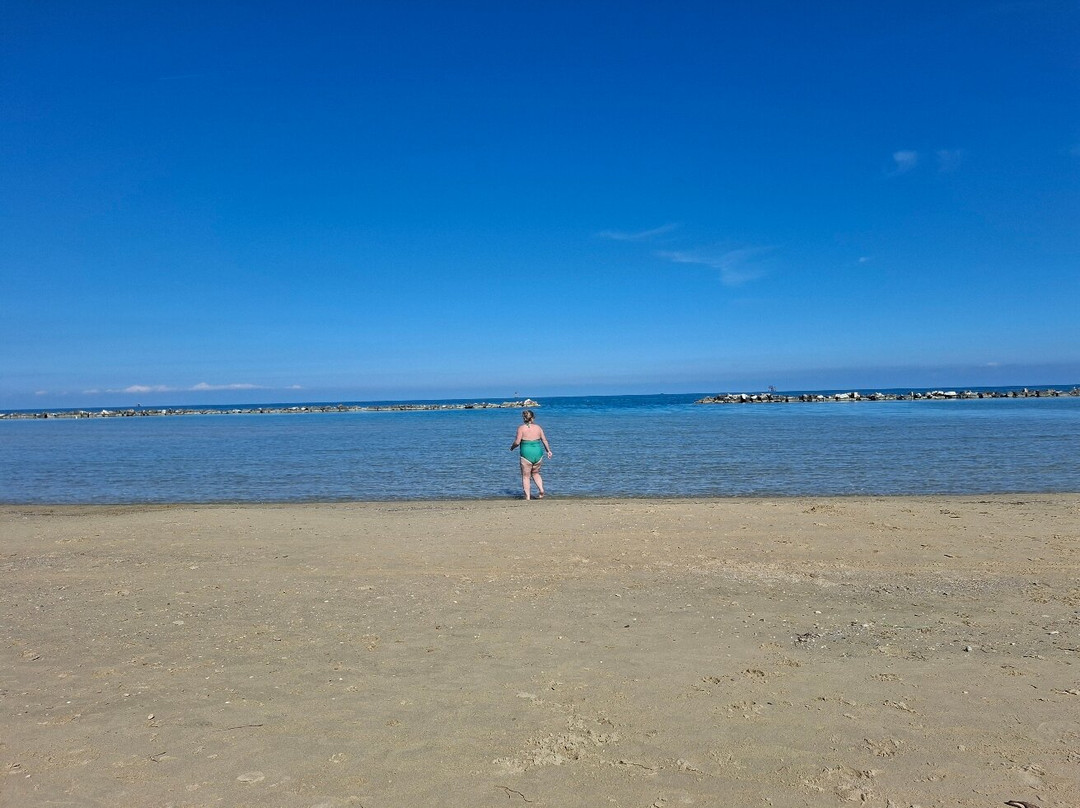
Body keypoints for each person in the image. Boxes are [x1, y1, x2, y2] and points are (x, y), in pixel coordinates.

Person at [509, 409, 552, 500]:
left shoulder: (521, 428)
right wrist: (548, 451)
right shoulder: (538, 428)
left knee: (526, 476)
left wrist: (512, 447)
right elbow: (544, 440)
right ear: (533, 418)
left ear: (523, 418)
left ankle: (527, 497)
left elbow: (517, 442)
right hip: (538, 453)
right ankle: (541, 490)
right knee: (536, 473)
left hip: (526, 454)